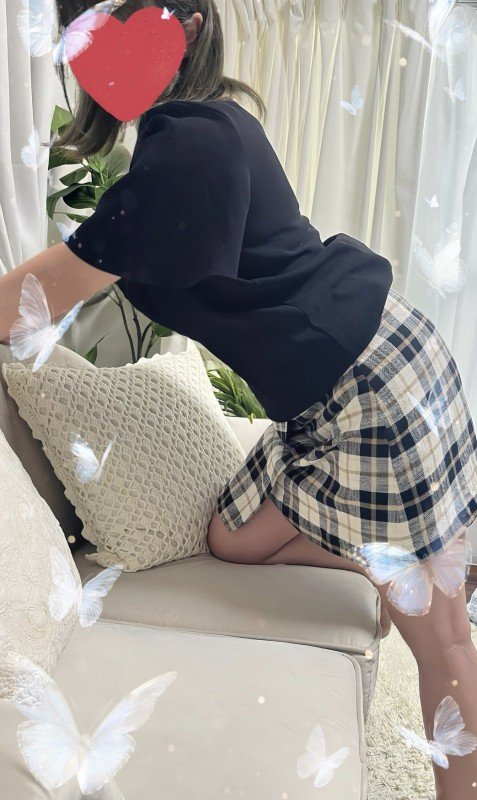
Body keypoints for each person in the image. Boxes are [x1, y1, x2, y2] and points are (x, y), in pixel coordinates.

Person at [1, 2, 477, 797]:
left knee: (442, 641)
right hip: (322, 396)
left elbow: (38, 294)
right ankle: (385, 542)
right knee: (231, 538)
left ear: (184, 29)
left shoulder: (193, 144)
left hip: (373, 380)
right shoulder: (198, 135)